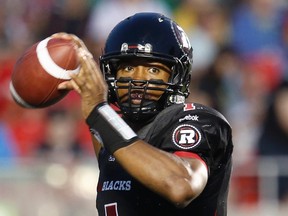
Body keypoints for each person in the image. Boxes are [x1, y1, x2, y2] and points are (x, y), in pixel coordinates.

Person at [55, 12, 234, 216]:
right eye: (128, 67)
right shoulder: (112, 126)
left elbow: (181, 186)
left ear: (177, 76)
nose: (138, 80)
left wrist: (99, 114)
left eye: (154, 70)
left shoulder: (199, 120)